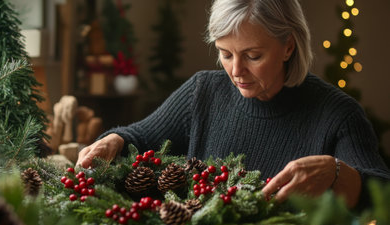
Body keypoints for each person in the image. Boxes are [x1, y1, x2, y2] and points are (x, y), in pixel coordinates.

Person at [77, 0, 390, 208]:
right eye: (226, 54)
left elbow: (382, 193)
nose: (236, 71)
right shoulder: (203, 91)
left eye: (253, 56)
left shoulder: (339, 114)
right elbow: (139, 137)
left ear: (288, 47)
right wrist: (113, 140)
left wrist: (338, 174)